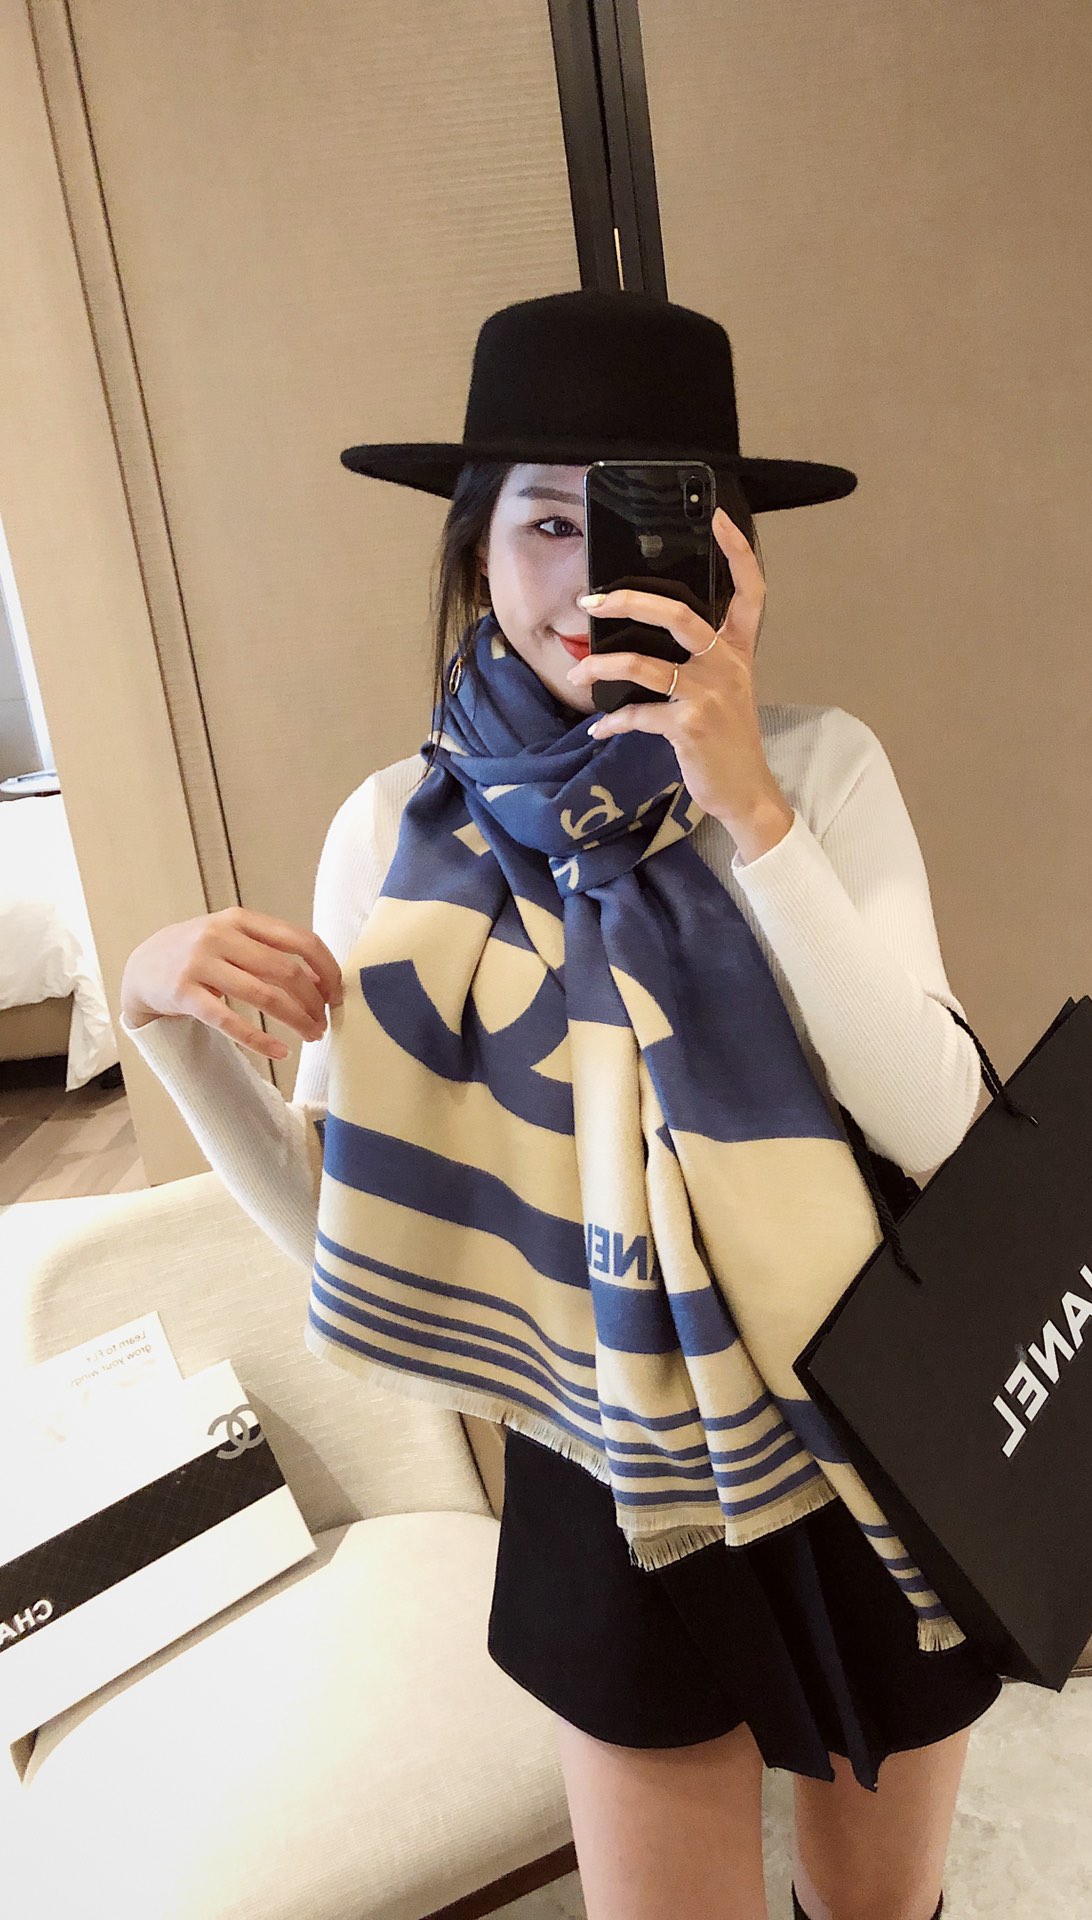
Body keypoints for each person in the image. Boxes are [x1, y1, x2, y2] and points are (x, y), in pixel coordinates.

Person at [120, 290, 1001, 1920]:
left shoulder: (820, 770)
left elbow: (943, 1124)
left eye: (638, 521)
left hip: (867, 1414)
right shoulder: (395, 833)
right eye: (542, 522)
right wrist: (158, 1018)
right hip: (602, 1463)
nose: (587, 579)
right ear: (476, 554)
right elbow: (348, 1231)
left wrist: (748, 810)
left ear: (729, 559)